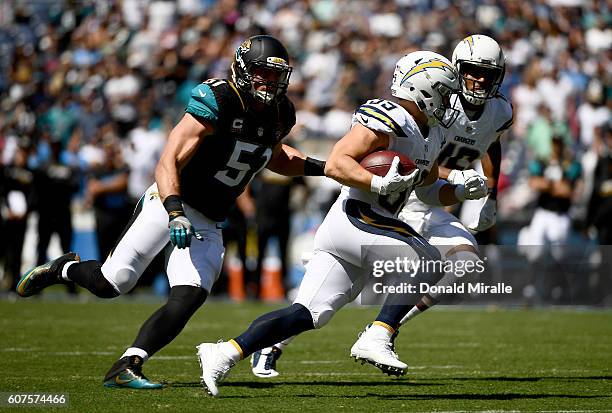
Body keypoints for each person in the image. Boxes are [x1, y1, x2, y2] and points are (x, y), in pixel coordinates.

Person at [16, 35, 326, 389]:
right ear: (242, 70)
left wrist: (325, 167)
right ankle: (65, 269)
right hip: (170, 200)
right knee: (112, 283)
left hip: (209, 217)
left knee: (191, 293)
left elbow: (277, 156)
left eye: (276, 75)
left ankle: (128, 364)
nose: (270, 82)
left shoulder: (280, 112)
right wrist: (174, 210)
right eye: (262, 73)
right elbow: (168, 161)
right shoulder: (221, 99)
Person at [196, 50, 489, 396]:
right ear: (422, 88)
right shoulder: (388, 116)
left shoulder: (432, 131)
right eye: (443, 92)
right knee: (425, 259)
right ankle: (379, 334)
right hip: (357, 215)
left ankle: (224, 352)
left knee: (307, 314)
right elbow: (337, 163)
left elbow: (426, 189)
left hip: (368, 224)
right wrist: (376, 182)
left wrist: (457, 189)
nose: (448, 101)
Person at [251, 34, 514, 378]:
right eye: (472, 71)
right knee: (331, 299)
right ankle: (275, 343)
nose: (479, 80)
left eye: (487, 74)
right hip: (395, 198)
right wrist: (456, 178)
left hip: (429, 199)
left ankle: (383, 329)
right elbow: (416, 160)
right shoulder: (433, 101)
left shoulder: (498, 110)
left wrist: (488, 191)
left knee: (463, 264)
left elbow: (490, 143)